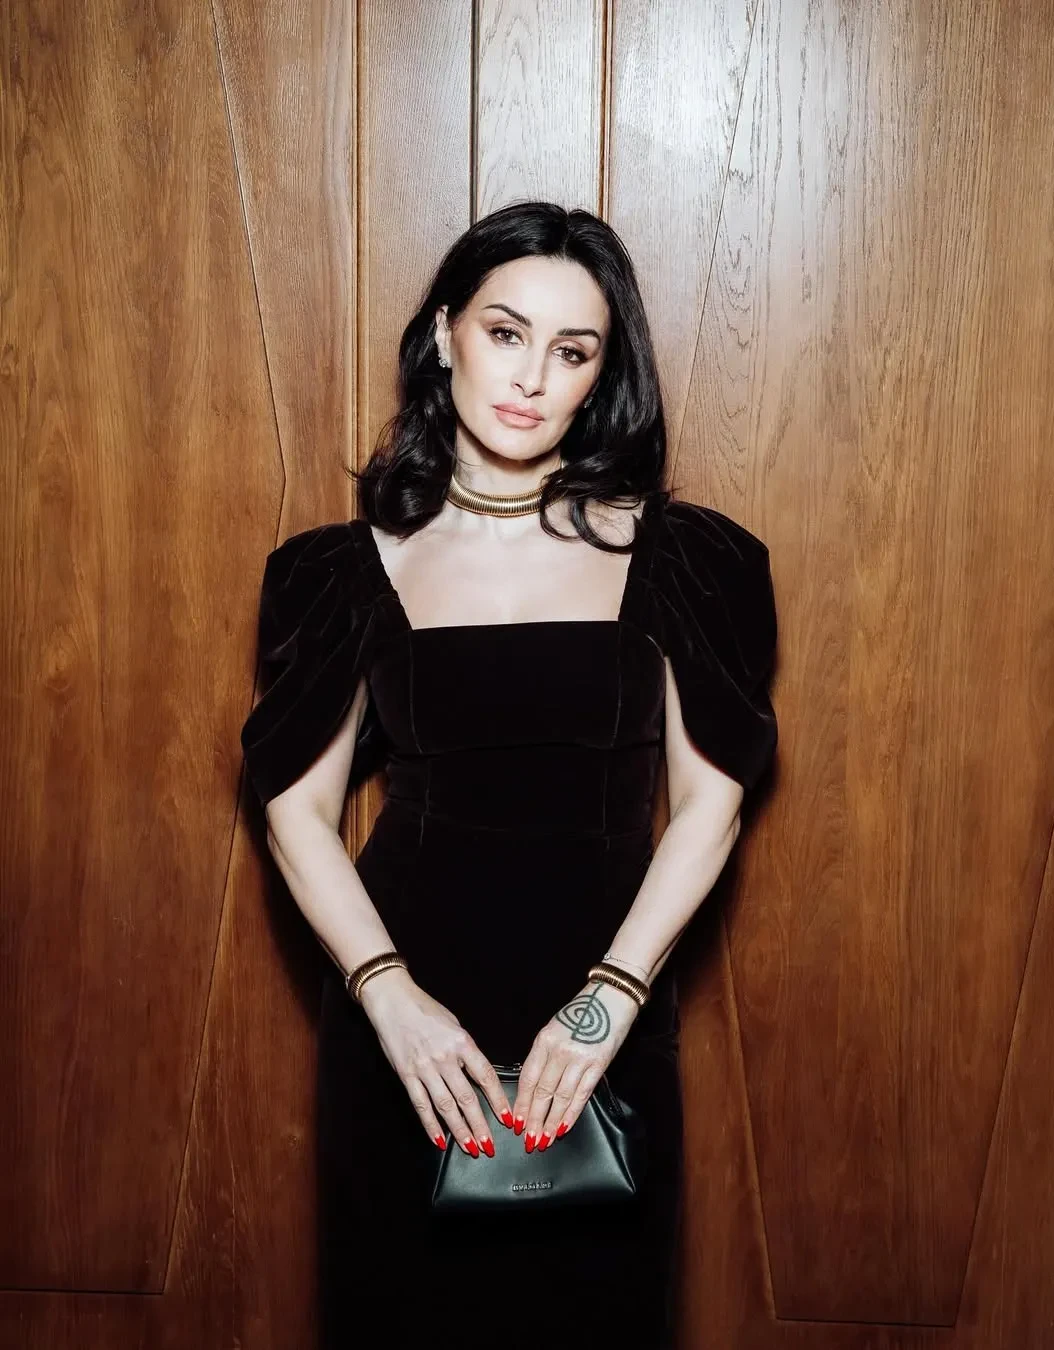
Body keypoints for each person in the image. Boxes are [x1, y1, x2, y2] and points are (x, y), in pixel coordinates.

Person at [240, 200, 778, 1349]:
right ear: (446, 335)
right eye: (505, 333)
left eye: (572, 351)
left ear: (600, 378)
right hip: (406, 1026)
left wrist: (607, 1003)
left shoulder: (680, 557)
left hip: (603, 1014)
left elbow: (714, 803)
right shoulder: (349, 568)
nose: (532, 376)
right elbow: (296, 810)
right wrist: (389, 1000)